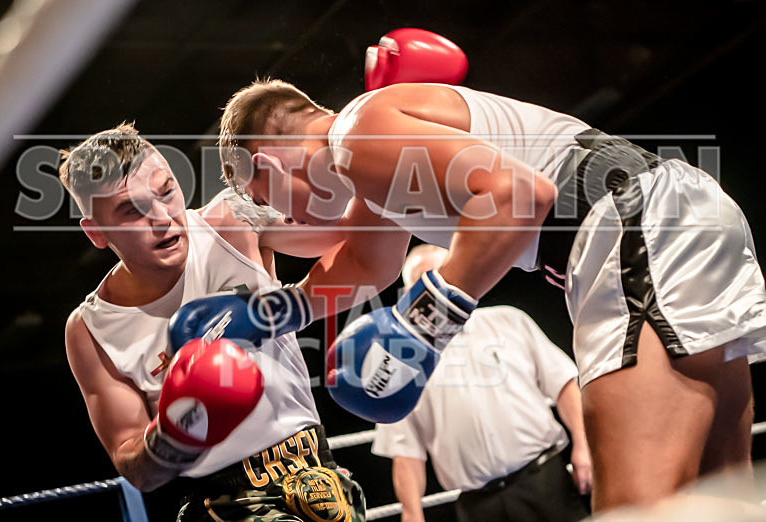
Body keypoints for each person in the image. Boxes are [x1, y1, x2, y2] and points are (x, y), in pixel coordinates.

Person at [204, 36, 766, 511]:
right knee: (718, 498)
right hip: (662, 217)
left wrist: (425, 324)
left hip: (627, 230)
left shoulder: (356, 136)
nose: (287, 219)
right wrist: (270, 312)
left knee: (632, 511)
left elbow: (520, 194)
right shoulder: (370, 163)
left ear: (266, 166)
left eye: (266, 200)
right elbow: (361, 262)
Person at [60, 123, 365, 522]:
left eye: (166, 191)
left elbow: (355, 238)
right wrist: (175, 432)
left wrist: (369, 143)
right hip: (224, 504)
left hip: (320, 477)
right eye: (131, 210)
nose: (161, 218)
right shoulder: (90, 330)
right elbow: (133, 465)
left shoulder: (233, 219)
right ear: (97, 232)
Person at [371, 245, 591, 522]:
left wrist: (584, 446)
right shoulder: (401, 363)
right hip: (478, 505)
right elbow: (405, 450)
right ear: (408, 295)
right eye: (423, 283)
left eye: (442, 278)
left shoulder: (510, 321)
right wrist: (412, 512)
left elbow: (564, 384)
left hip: (545, 480)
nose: (436, 292)